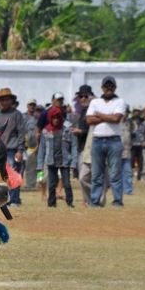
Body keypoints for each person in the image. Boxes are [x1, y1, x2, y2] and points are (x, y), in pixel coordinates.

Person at [86, 76, 127, 207]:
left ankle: (117, 201)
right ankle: (95, 201)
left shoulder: (120, 101)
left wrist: (99, 115)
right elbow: (89, 120)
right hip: (97, 140)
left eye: (111, 86)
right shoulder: (95, 102)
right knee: (96, 174)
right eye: (106, 86)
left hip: (114, 140)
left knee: (115, 174)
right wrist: (107, 117)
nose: (108, 88)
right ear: (102, 88)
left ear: (115, 87)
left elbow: (116, 119)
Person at [0, 87, 26, 206]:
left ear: (11, 101)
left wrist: (20, 150)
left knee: (13, 175)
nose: (4, 102)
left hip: (12, 149)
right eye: (1, 100)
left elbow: (21, 133)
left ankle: (14, 200)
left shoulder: (17, 114)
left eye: (6, 99)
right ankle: (3, 200)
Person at [37, 106, 77, 207]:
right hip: (51, 160)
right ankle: (51, 204)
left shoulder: (68, 128)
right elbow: (41, 149)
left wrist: (74, 162)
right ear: (50, 118)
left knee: (67, 184)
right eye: (54, 117)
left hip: (65, 160)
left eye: (58, 117)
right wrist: (40, 165)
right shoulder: (46, 131)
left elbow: (74, 146)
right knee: (51, 184)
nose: (56, 120)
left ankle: (70, 202)